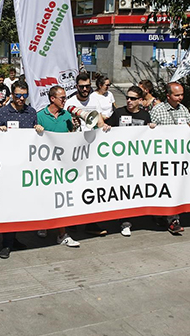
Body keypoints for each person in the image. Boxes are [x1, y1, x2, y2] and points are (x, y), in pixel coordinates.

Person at [0, 80, 44, 257]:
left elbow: (34, 139)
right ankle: (6, 243)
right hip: (7, 166)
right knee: (8, 205)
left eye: (24, 95)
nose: (21, 99)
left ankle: (13, 239)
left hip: (25, 165)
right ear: (11, 95)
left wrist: (38, 130)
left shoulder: (32, 112)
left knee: (18, 205)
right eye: (18, 95)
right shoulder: (2, 112)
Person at [105, 86, 156, 236]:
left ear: (140, 100)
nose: (129, 101)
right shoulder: (119, 113)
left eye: (133, 98)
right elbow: (108, 126)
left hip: (137, 161)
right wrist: (106, 127)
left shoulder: (145, 116)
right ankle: (123, 220)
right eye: (127, 97)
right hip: (119, 160)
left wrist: (152, 129)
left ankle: (129, 218)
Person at [35, 86, 81, 249]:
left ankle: (62, 234)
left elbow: (71, 138)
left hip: (63, 165)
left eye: (65, 97)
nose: (64, 100)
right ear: (52, 99)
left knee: (61, 199)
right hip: (46, 165)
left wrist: (75, 128)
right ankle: (44, 224)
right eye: (61, 97)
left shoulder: (67, 115)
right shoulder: (40, 116)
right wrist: (36, 130)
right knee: (46, 196)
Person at [150, 82, 190, 234]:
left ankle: (171, 217)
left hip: (179, 158)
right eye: (177, 95)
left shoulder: (184, 110)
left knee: (174, 188)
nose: (180, 98)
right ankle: (167, 217)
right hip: (161, 158)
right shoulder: (158, 110)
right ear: (168, 96)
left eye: (182, 94)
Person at [63, 73, 108, 236]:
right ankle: (72, 222)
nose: (84, 89)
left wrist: (104, 128)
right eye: (81, 86)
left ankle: (90, 222)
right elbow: (67, 126)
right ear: (76, 86)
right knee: (75, 184)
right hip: (76, 149)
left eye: (87, 86)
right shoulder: (70, 103)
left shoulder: (95, 99)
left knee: (91, 184)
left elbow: (99, 119)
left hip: (93, 147)